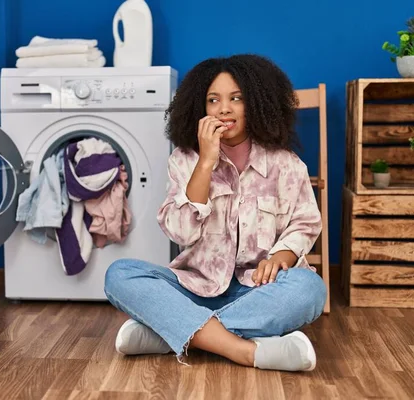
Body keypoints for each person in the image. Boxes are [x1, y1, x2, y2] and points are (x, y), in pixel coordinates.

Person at [103, 54, 327, 371]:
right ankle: (242, 350)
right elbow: (180, 232)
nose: (224, 108)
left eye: (237, 98)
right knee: (120, 274)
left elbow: (304, 223)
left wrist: (283, 255)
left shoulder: (285, 164)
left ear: (258, 104)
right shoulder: (184, 160)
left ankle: (170, 333)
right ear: (200, 107)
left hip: (258, 292)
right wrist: (206, 162)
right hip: (193, 288)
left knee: (310, 290)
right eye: (213, 100)